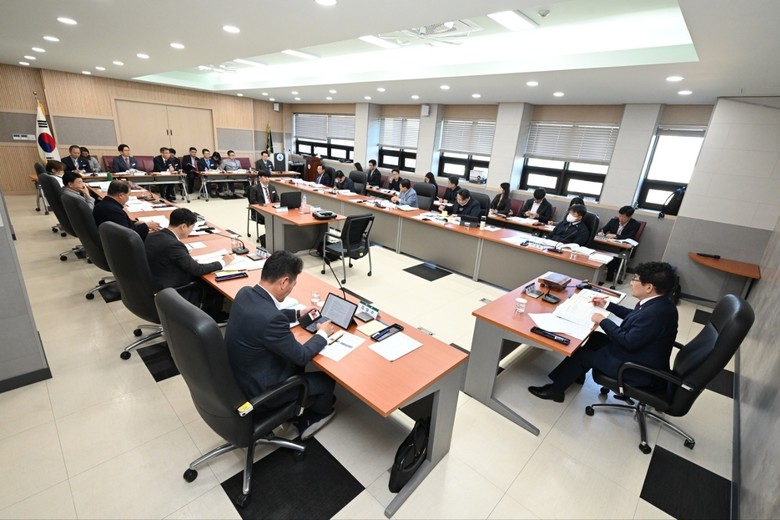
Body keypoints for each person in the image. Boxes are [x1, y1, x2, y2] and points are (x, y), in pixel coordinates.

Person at [528, 261, 679, 403]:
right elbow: (634, 316)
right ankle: (575, 374)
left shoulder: (654, 314)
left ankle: (555, 391)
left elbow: (628, 342)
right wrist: (607, 305)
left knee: (582, 355)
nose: (631, 283)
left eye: (635, 279)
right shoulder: (661, 302)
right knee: (595, 337)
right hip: (642, 354)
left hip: (637, 369)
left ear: (649, 287)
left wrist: (603, 320)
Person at [225, 250, 337, 440]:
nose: (292, 288)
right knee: (326, 381)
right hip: (261, 391)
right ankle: (313, 418)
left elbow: (262, 315)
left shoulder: (245, 293)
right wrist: (323, 334)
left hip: (238, 378)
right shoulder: (271, 319)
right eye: (293, 284)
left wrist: (297, 314)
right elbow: (301, 356)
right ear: (284, 281)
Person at [145, 208, 233, 315]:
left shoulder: (153, 236)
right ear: (183, 226)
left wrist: (186, 259)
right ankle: (213, 314)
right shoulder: (173, 245)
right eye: (192, 227)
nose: (191, 230)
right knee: (213, 283)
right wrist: (223, 262)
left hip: (157, 281)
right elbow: (197, 270)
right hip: (173, 289)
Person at [93, 180, 160, 240]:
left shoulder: (104, 204)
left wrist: (135, 223)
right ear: (121, 195)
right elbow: (128, 235)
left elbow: (122, 224)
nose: (128, 198)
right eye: (128, 195)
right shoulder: (113, 211)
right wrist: (146, 226)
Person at [601, 205, 642, 281]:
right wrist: (602, 233)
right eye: (620, 215)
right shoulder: (613, 221)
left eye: (624, 217)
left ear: (629, 217)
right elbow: (603, 230)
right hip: (609, 245)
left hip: (623, 248)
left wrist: (615, 236)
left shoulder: (635, 224)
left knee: (613, 255)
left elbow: (630, 236)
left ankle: (610, 274)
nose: (621, 218)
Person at [248, 170, 279, 247]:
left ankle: (277, 235)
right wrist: (263, 205)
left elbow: (277, 199)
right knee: (270, 217)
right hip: (260, 210)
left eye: (268, 177)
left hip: (272, 209)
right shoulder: (254, 188)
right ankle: (269, 236)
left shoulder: (272, 187)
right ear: (260, 178)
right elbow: (253, 201)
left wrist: (275, 205)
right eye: (265, 177)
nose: (267, 179)